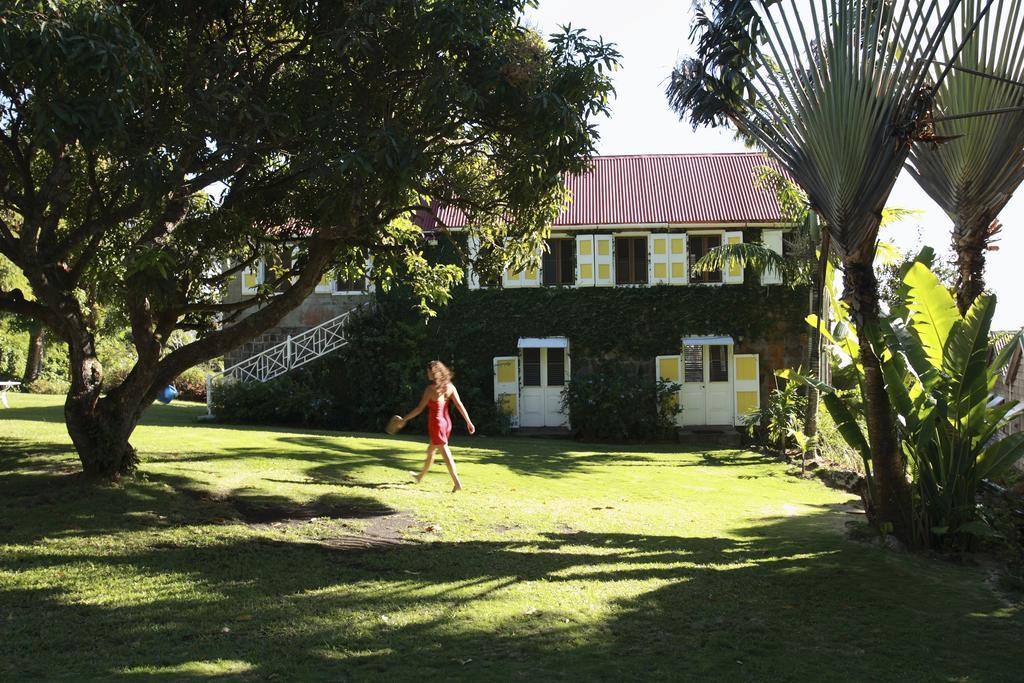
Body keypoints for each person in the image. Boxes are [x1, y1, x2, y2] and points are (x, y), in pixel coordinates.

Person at [399, 360, 474, 492]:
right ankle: (420, 476)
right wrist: (469, 421)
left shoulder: (430, 390)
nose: (426, 373)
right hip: (446, 423)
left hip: (437, 424)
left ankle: (457, 483)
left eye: (428, 371)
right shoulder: (450, 386)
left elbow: (419, 409)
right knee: (430, 451)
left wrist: (404, 419)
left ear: (433, 373)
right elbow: (459, 404)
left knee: (445, 453)